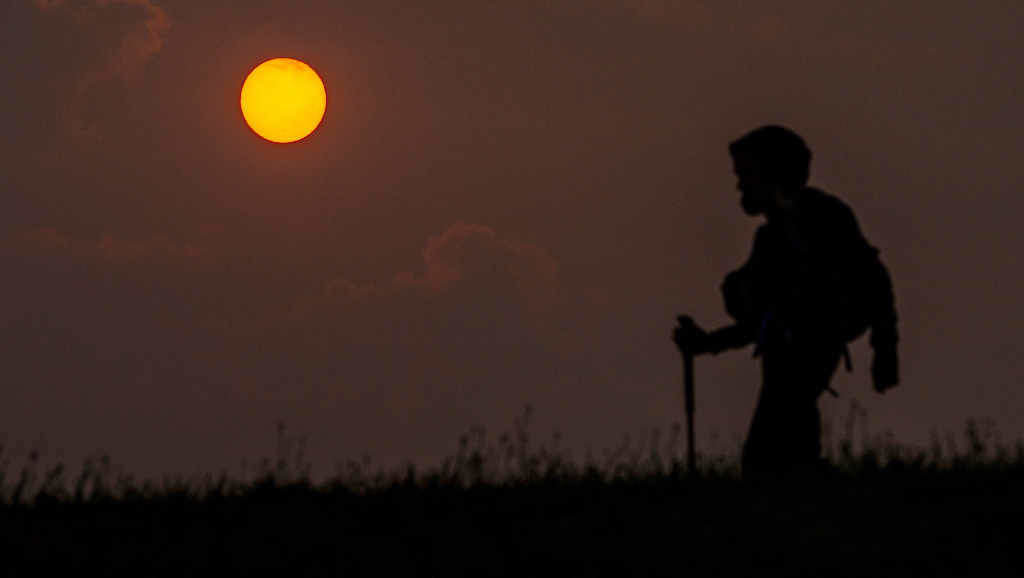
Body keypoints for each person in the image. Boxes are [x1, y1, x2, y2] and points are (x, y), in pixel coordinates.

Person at [673, 125, 900, 477]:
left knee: (769, 460)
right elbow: (762, 320)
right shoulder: (771, 238)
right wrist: (706, 343)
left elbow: (874, 278)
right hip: (790, 355)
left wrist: (886, 347)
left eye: (745, 175)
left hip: (809, 350)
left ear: (771, 174)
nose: (739, 186)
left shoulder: (824, 217)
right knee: (782, 458)